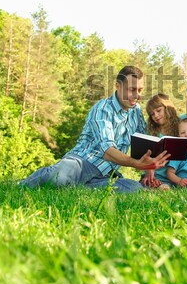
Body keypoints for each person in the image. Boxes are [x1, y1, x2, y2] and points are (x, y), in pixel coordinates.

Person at [19, 66, 170, 193]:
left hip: (106, 174)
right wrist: (136, 164)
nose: (137, 95)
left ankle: (80, 186)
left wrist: (149, 171)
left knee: (134, 189)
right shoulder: (103, 109)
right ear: (118, 86)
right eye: (132, 89)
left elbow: (144, 142)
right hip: (81, 163)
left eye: (140, 90)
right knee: (59, 178)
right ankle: (25, 183)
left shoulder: (135, 110)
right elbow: (107, 151)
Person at [141, 93, 181, 189]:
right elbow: (145, 158)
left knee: (165, 188)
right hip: (152, 174)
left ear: (168, 108)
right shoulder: (150, 132)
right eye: (152, 114)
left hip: (172, 176)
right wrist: (150, 175)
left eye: (159, 110)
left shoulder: (180, 128)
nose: (156, 115)